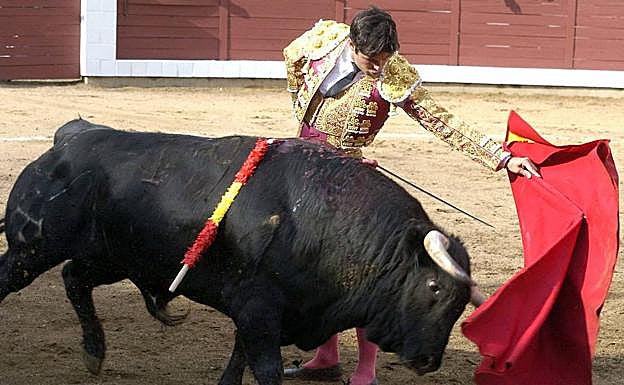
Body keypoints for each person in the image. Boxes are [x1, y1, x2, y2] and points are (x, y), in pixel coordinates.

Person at [281, 6, 540, 385]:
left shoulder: (394, 73)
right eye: (372, 60)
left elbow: (440, 119)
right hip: (305, 168)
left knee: (362, 272)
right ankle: (326, 358)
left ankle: (365, 372)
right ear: (351, 44)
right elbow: (293, 65)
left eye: (385, 60)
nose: (378, 68)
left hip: (350, 182)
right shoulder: (320, 43)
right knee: (320, 266)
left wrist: (501, 157)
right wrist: (308, 129)